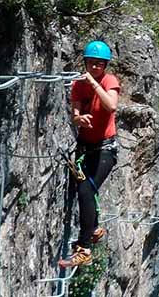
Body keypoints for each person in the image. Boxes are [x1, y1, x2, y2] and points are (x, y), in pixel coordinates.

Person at [58, 40, 120, 269]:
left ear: (105, 66)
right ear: (85, 62)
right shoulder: (77, 85)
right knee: (85, 190)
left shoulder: (108, 81)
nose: (95, 67)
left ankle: (83, 249)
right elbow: (74, 113)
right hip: (85, 146)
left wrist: (94, 83)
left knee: (86, 190)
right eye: (91, 63)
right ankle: (93, 228)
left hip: (105, 148)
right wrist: (79, 119)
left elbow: (111, 106)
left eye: (99, 64)